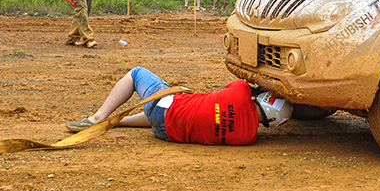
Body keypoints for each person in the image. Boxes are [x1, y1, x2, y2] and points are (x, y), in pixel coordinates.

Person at [65, 67, 292, 146]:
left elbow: (242, 80)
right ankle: (118, 121)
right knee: (180, 115)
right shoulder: (248, 138)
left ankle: (99, 117)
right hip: (165, 132)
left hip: (165, 109)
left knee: (136, 73)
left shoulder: (241, 93)